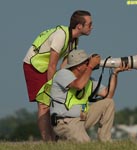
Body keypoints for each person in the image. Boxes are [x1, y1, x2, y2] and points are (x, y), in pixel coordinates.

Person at [23, 10, 93, 141]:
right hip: (35, 66)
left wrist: (64, 84)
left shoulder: (74, 40)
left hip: (48, 67)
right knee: (44, 105)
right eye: (89, 24)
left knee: (54, 103)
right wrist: (53, 91)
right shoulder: (61, 36)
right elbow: (52, 65)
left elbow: (64, 68)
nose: (92, 27)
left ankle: (55, 139)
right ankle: (48, 142)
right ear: (79, 26)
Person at [49, 49, 129, 142]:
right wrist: (90, 66)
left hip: (82, 119)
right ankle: (62, 139)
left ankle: (105, 141)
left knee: (108, 102)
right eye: (86, 62)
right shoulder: (62, 74)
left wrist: (115, 73)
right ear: (78, 66)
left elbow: (108, 94)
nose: (89, 64)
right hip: (65, 122)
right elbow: (78, 85)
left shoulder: (88, 80)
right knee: (86, 144)